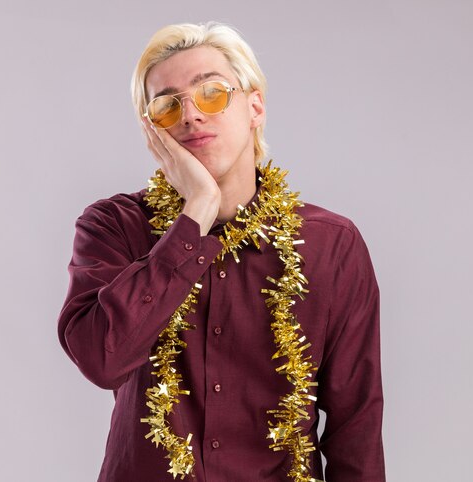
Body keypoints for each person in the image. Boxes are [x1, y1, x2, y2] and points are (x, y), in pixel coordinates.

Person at [57, 21, 386, 482]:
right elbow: (101, 359)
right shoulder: (113, 227)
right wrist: (195, 216)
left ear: (255, 106)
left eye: (211, 93)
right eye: (168, 106)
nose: (191, 115)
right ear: (154, 132)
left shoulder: (331, 244)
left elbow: (357, 425)